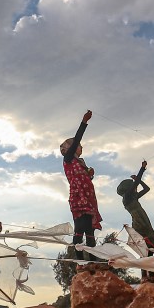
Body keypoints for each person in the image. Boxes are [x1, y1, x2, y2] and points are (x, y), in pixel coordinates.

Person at [61, 110, 102, 259]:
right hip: (79, 197)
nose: (81, 147)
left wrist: (89, 175)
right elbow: (77, 138)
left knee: (90, 229)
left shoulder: (80, 163)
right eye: (79, 145)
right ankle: (80, 262)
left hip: (88, 198)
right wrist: (84, 122)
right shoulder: (69, 158)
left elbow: (83, 179)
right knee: (80, 228)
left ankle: (92, 262)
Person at [116, 160, 154, 249]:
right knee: (145, 236)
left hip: (142, 217)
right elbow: (137, 183)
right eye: (133, 186)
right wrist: (142, 168)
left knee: (148, 235)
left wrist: (139, 180)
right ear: (128, 188)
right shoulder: (127, 197)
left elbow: (146, 189)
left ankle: (151, 252)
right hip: (138, 219)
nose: (136, 187)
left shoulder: (133, 196)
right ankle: (148, 252)